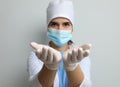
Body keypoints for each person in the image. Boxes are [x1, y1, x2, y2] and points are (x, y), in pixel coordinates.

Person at [27, 0, 92, 87]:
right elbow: (35, 85)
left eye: (66, 24)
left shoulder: (80, 55)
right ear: (47, 27)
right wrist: (50, 67)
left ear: (72, 28)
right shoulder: (36, 55)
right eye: (54, 24)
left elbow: (86, 85)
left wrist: (72, 66)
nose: (60, 29)